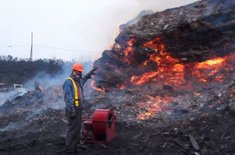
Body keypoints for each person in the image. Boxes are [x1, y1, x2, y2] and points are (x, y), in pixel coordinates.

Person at [63, 63, 96, 154]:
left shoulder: (77, 81)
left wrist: (88, 74)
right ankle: (70, 150)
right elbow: (68, 98)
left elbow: (82, 81)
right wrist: (72, 110)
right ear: (73, 71)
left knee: (77, 129)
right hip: (73, 109)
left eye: (80, 72)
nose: (79, 74)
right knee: (72, 130)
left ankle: (74, 148)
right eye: (78, 72)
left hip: (78, 109)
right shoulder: (69, 81)